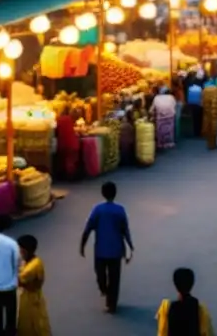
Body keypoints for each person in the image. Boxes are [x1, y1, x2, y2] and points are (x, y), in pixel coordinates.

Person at [80, 181, 134, 314]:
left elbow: (88, 228)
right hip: (116, 250)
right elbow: (125, 230)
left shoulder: (98, 209)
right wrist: (130, 246)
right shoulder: (120, 210)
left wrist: (82, 244)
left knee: (100, 274)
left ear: (102, 193)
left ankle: (104, 291)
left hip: (101, 250)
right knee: (115, 278)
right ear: (115, 193)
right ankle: (112, 302)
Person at [155, 267, 215, 336]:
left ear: (175, 284)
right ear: (192, 284)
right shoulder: (200, 309)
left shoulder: (166, 308)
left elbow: (162, 333)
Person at [17, 235, 51, 336]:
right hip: (36, 295)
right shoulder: (36, 260)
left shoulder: (31, 269)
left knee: (30, 323)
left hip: (29, 299)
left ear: (24, 251)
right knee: (40, 319)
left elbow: (18, 281)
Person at [55, 108, 82, 179]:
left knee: (66, 160)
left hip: (63, 143)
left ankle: (68, 175)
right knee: (71, 160)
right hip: (72, 143)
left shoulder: (59, 119)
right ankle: (71, 175)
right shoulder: (69, 120)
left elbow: (56, 130)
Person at [201, 80, 217, 150]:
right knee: (214, 127)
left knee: (207, 125)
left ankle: (209, 143)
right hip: (215, 112)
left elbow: (202, 102)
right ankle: (214, 143)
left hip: (207, 112)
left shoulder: (204, 91)